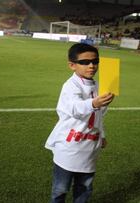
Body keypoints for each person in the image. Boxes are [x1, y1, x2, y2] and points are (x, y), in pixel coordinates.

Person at [45, 43, 115, 203]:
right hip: (69, 146)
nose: (91, 66)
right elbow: (74, 107)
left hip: (89, 145)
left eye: (95, 61)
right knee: (60, 189)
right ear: (72, 65)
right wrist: (94, 103)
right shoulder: (70, 85)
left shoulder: (99, 86)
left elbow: (99, 115)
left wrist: (102, 134)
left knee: (85, 188)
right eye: (84, 62)